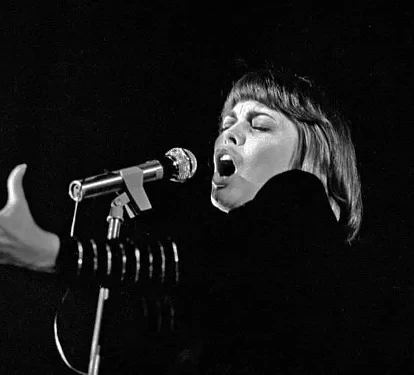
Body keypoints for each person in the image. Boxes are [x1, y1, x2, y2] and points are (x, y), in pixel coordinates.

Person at [0, 68, 363, 373]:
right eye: (227, 123)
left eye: (260, 126)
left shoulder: (301, 193)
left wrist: (53, 252)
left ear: (317, 157)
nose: (228, 134)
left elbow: (193, 260)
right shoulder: (246, 267)